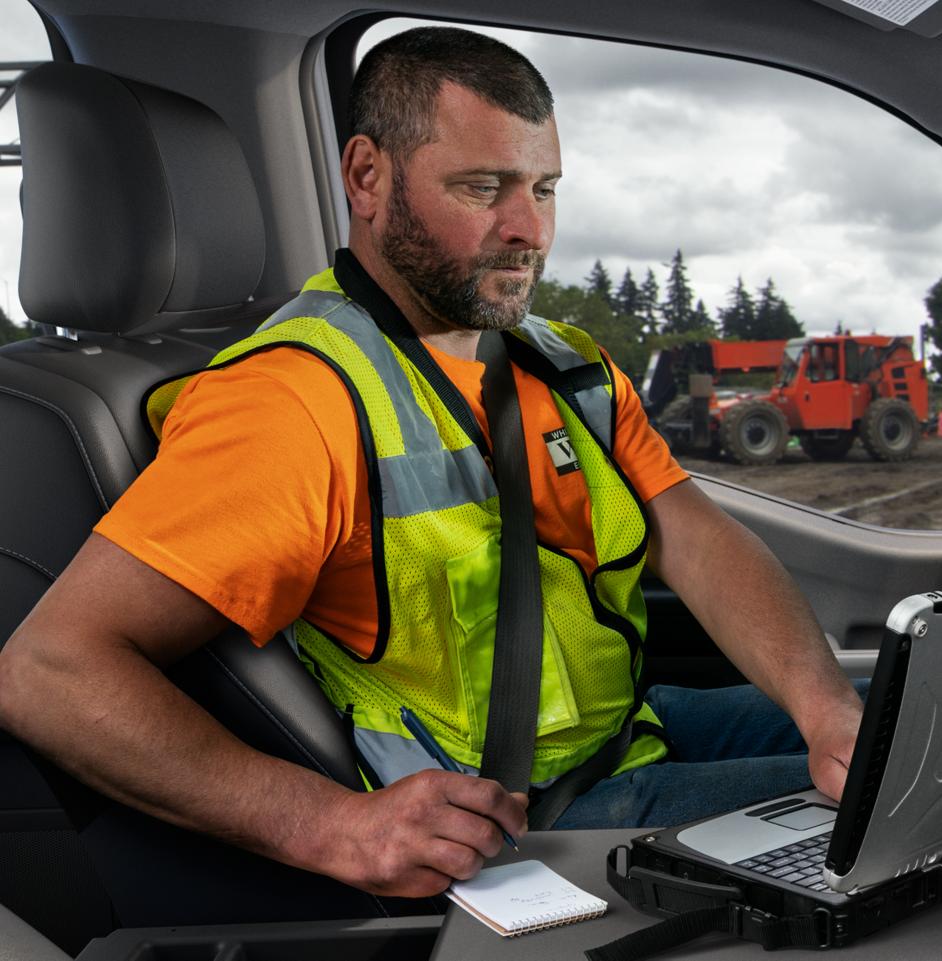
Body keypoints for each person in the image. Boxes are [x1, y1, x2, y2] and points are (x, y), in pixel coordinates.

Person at [0, 27, 862, 900]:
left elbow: (698, 539)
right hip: (537, 829)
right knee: (901, 814)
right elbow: (49, 672)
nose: (529, 229)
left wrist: (823, 705)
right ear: (367, 177)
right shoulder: (294, 399)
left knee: (920, 745)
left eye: (545, 188)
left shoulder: (562, 365)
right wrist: (326, 824)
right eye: (483, 187)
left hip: (629, 732)